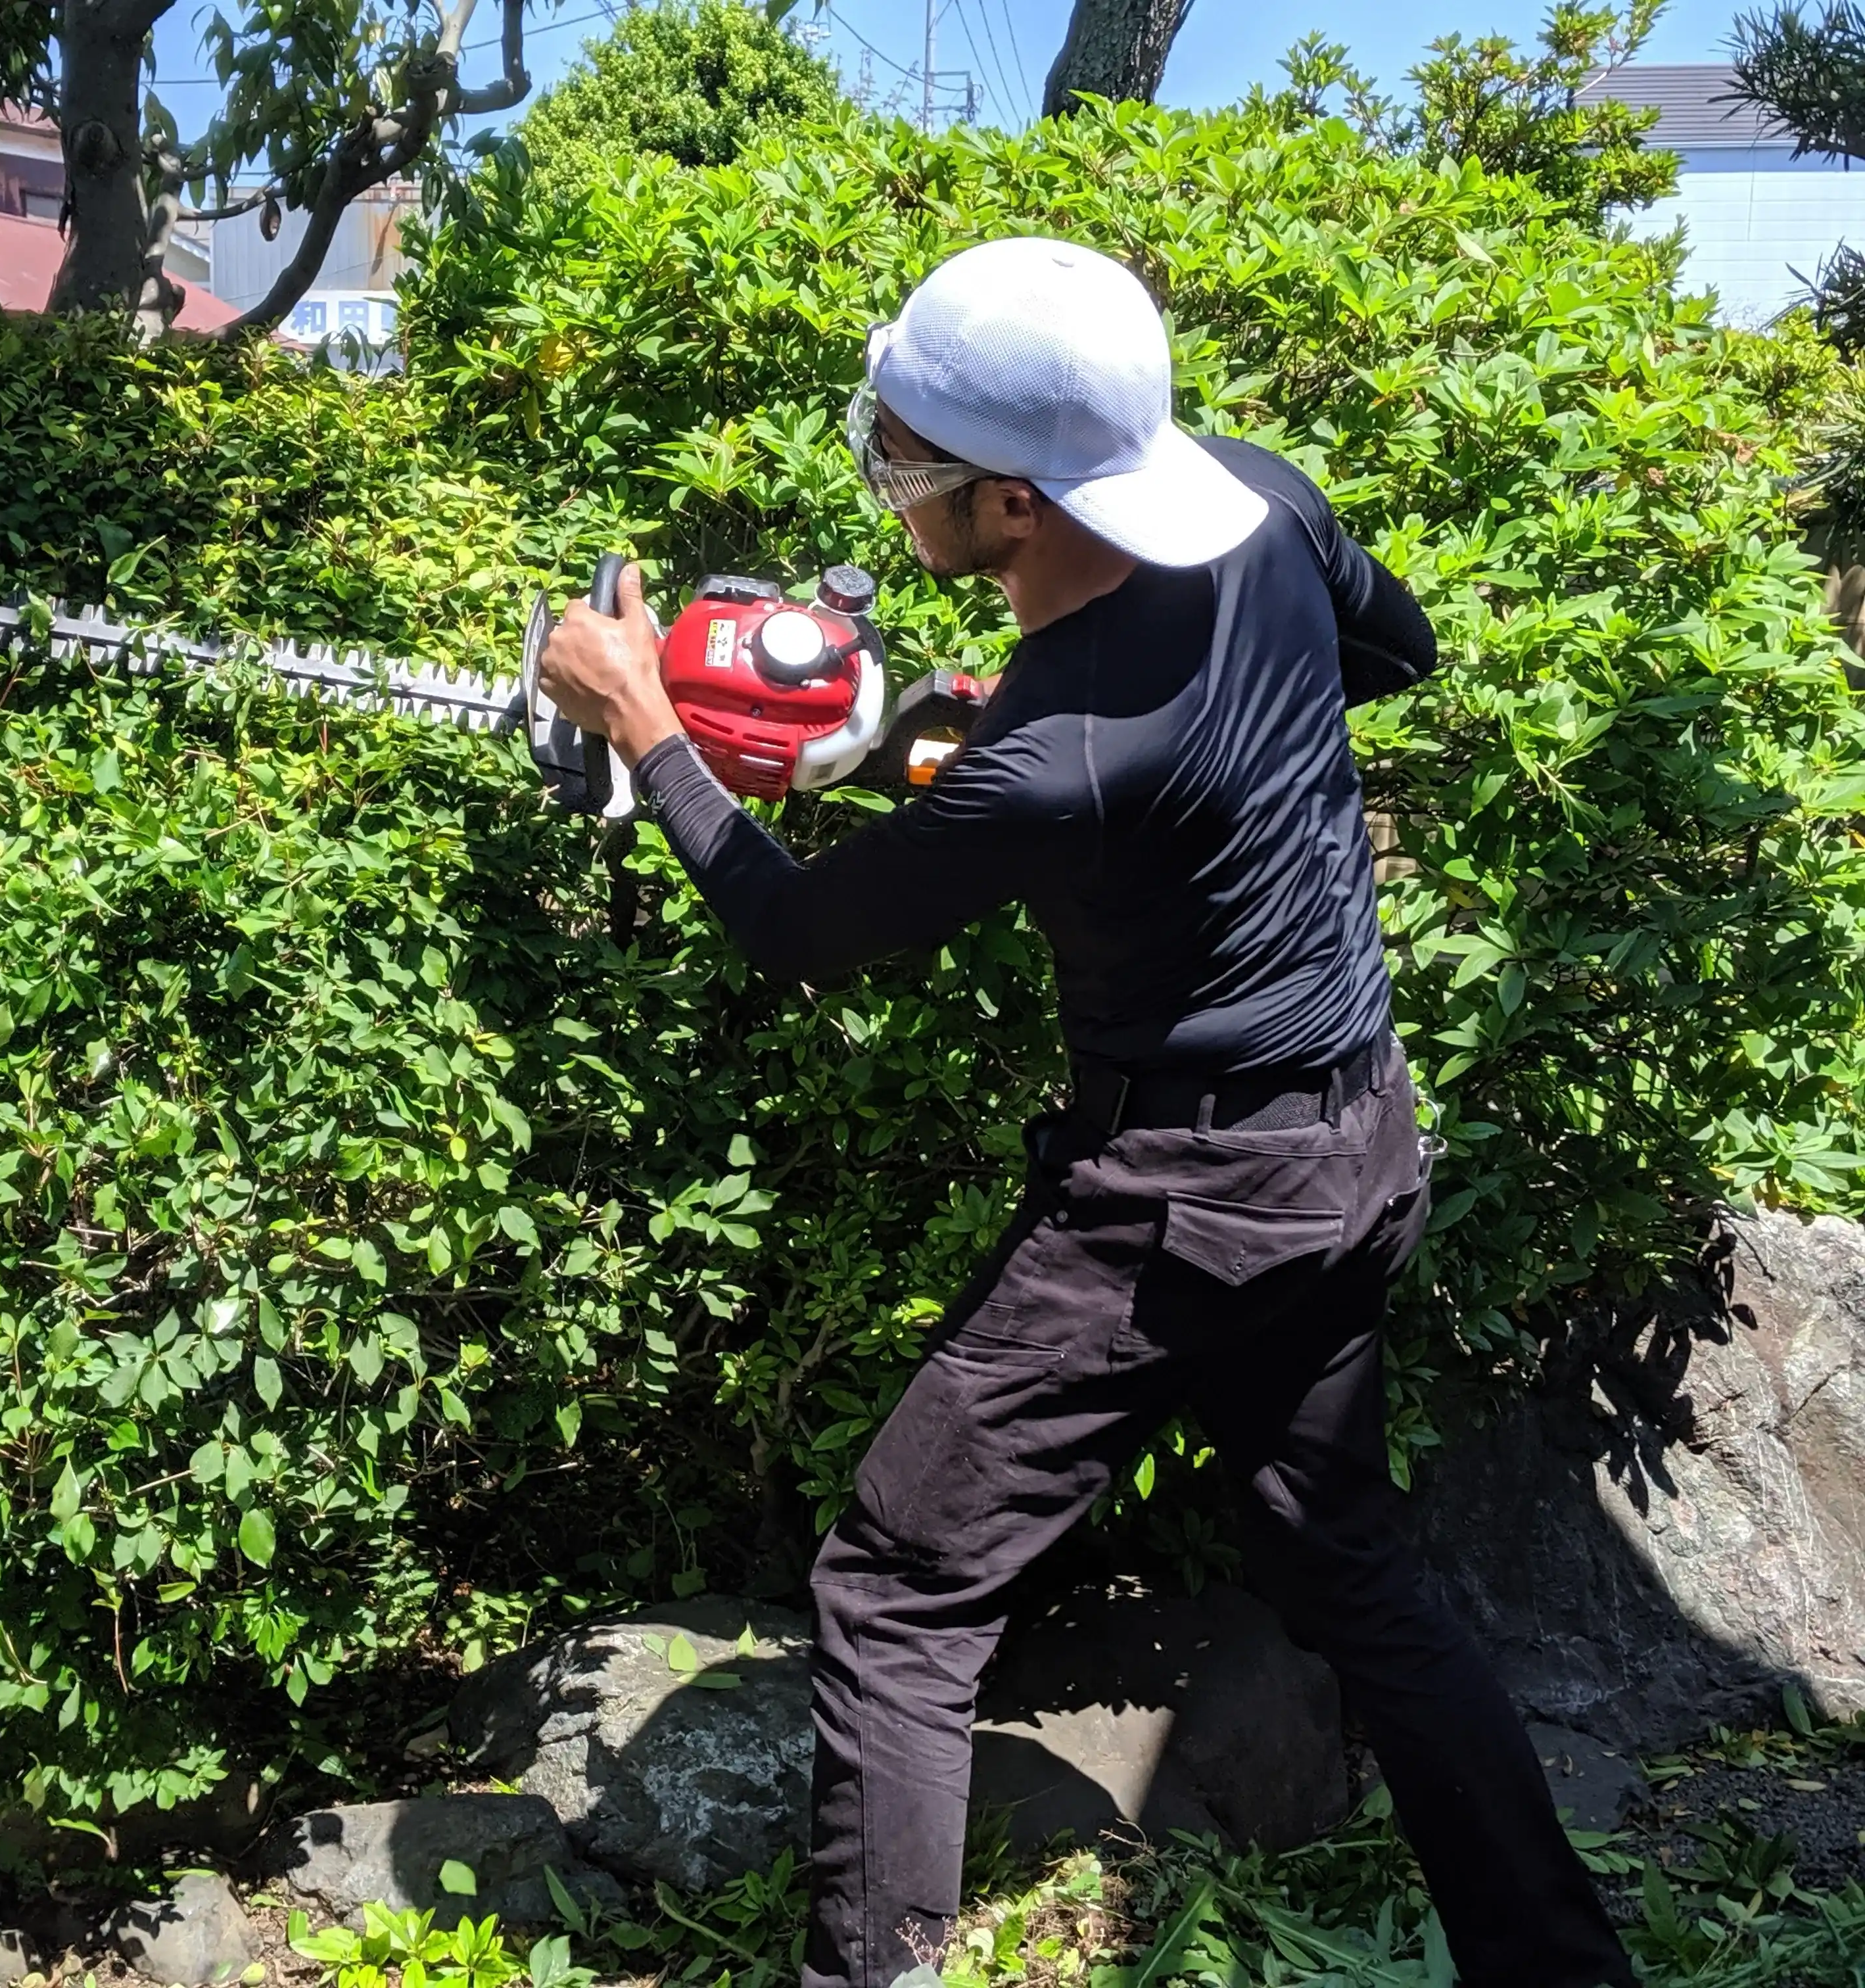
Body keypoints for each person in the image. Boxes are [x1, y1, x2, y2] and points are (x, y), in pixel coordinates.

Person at [536, 237, 1636, 1988]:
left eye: (906, 467)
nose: (888, 493)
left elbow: (800, 930)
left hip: (1184, 1195)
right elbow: (1393, 650)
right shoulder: (1258, 505)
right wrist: (1150, 760)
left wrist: (647, 724)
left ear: (1020, 504)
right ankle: (1565, 1971)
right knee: (1348, 1567)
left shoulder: (1062, 759)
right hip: (1353, 1136)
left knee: (896, 1593)